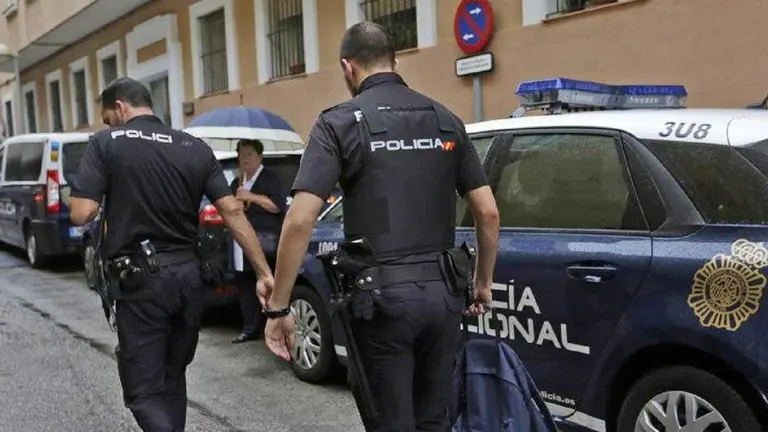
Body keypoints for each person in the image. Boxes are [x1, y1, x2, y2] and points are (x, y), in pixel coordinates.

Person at [261, 21, 501, 431]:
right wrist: (482, 283)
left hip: (381, 303)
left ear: (347, 67)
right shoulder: (445, 119)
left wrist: (279, 307)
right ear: (395, 61)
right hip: (444, 297)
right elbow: (488, 212)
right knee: (434, 420)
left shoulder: (338, 123)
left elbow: (300, 221)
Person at [67, 77, 275, 432]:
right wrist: (263, 273)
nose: (110, 126)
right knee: (172, 377)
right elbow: (232, 211)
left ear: (120, 107)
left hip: (142, 284)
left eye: (109, 119)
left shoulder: (106, 143)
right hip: (189, 278)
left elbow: (81, 213)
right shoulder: (193, 147)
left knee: (143, 392)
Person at [230, 139, 287, 344]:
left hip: (265, 243)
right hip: (240, 242)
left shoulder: (270, 178)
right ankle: (249, 328)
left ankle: (273, 325)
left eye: (249, 154)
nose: (244, 158)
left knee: (267, 283)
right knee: (245, 284)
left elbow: (277, 206)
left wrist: (251, 196)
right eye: (241, 154)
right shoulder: (237, 182)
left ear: (259, 157)